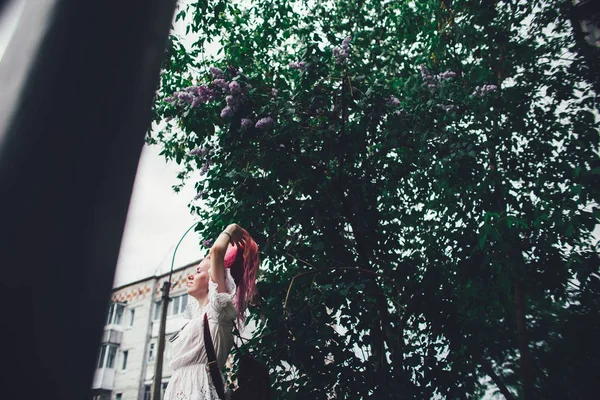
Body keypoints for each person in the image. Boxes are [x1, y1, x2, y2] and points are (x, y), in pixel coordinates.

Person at [163, 223, 260, 400]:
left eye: (198, 271)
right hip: (180, 389)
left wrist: (233, 228)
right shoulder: (199, 317)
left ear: (214, 280)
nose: (191, 276)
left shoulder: (218, 309)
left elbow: (216, 251)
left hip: (198, 392)